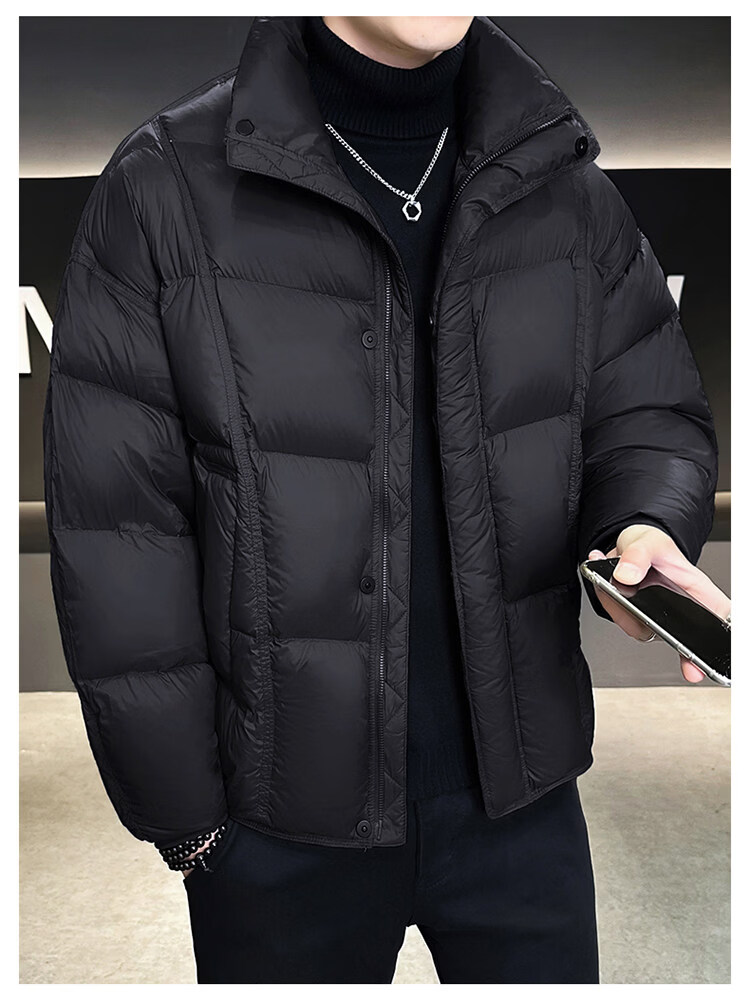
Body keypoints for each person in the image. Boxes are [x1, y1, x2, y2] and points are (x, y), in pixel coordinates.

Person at [43, 16, 724, 984]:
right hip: (278, 833)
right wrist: (191, 826)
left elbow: (645, 410)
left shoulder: (562, 180)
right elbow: (119, 531)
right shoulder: (163, 187)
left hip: (523, 811)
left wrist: (644, 520)